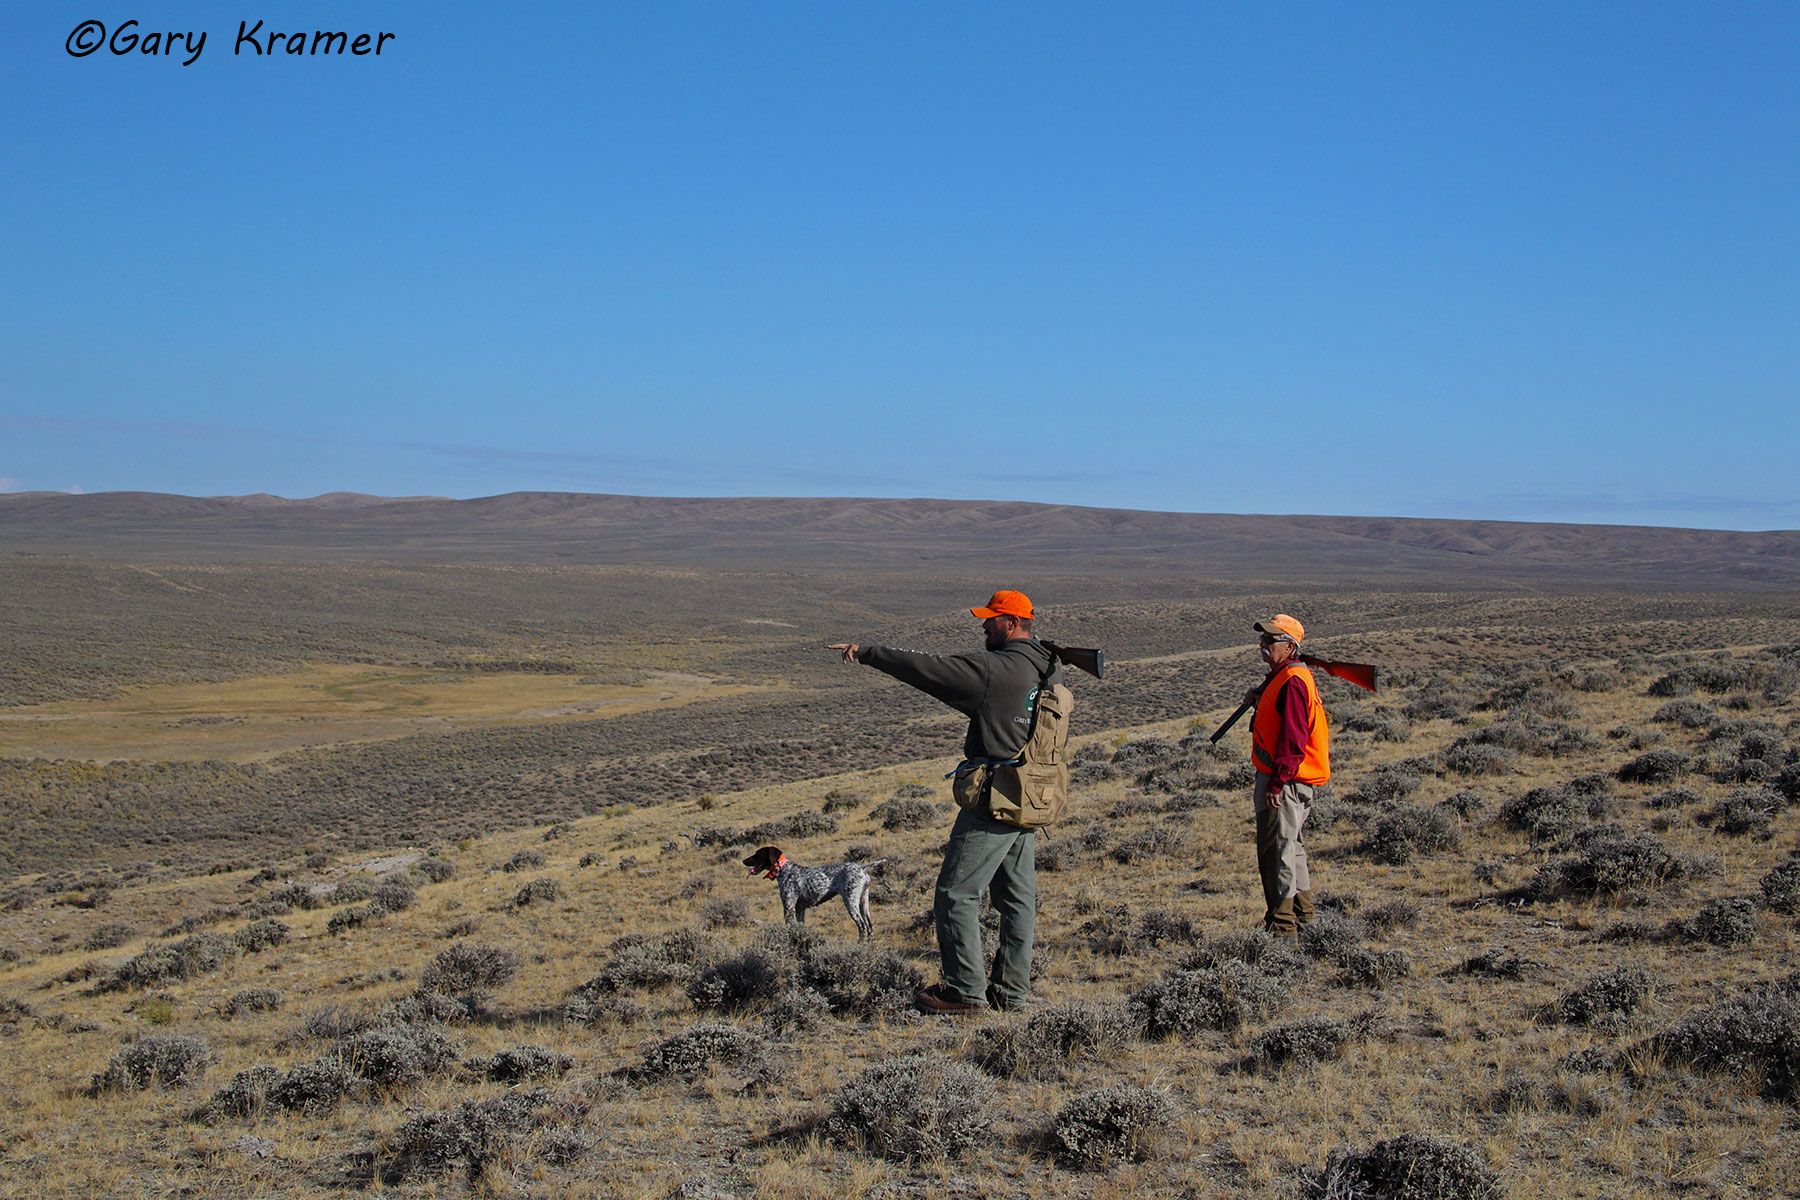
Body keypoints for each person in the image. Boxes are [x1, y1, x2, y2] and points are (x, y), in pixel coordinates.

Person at [828, 589, 1059, 1014]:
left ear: (1010, 623)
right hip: (1031, 797)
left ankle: (965, 993)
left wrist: (868, 653)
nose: (983, 625)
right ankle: (1011, 993)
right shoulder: (1048, 668)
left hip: (994, 800)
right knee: (1017, 901)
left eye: (990, 619)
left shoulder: (996, 669)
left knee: (955, 895)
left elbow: (928, 669)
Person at [1247, 613, 1331, 936]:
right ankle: (1304, 916)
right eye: (1263, 639)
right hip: (1292, 779)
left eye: (1270, 640)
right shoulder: (1287, 675)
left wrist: (1278, 782)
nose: (1263, 645)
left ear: (1289, 646)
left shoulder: (1293, 682)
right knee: (1292, 847)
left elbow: (1293, 740)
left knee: (1277, 851)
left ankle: (1283, 929)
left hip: (1286, 781)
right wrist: (1258, 697)